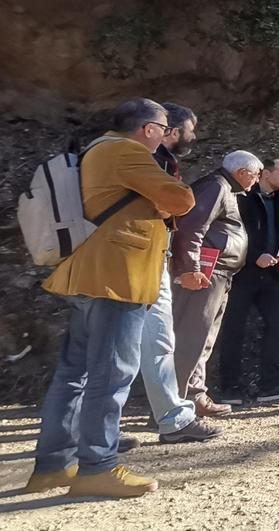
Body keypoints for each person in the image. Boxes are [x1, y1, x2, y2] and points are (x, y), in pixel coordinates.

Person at [25, 98, 195, 498]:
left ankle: (52, 466)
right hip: (119, 276)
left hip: (90, 274)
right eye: (165, 126)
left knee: (74, 374)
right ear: (149, 129)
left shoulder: (98, 149)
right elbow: (182, 199)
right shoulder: (126, 151)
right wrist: (160, 199)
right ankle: (97, 467)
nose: (168, 133)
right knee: (112, 372)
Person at [128, 102, 219, 449]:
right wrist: (187, 267)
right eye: (190, 130)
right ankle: (95, 423)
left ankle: (173, 417)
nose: (193, 137)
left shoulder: (163, 161)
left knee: (157, 342)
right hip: (137, 260)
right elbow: (180, 206)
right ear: (170, 131)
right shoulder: (143, 160)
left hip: (153, 258)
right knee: (119, 343)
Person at [171, 150, 258, 417]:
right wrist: (191, 268)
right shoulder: (216, 187)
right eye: (255, 175)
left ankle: (195, 395)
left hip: (218, 275)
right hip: (205, 275)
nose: (255, 181)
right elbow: (191, 228)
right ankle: (174, 402)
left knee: (203, 339)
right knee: (191, 337)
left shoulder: (225, 189)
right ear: (242, 172)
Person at [219, 158, 279, 405]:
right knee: (234, 330)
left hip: (272, 277)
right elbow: (234, 232)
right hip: (242, 275)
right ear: (265, 173)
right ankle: (230, 388)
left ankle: (270, 386)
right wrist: (255, 257)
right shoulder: (242, 197)